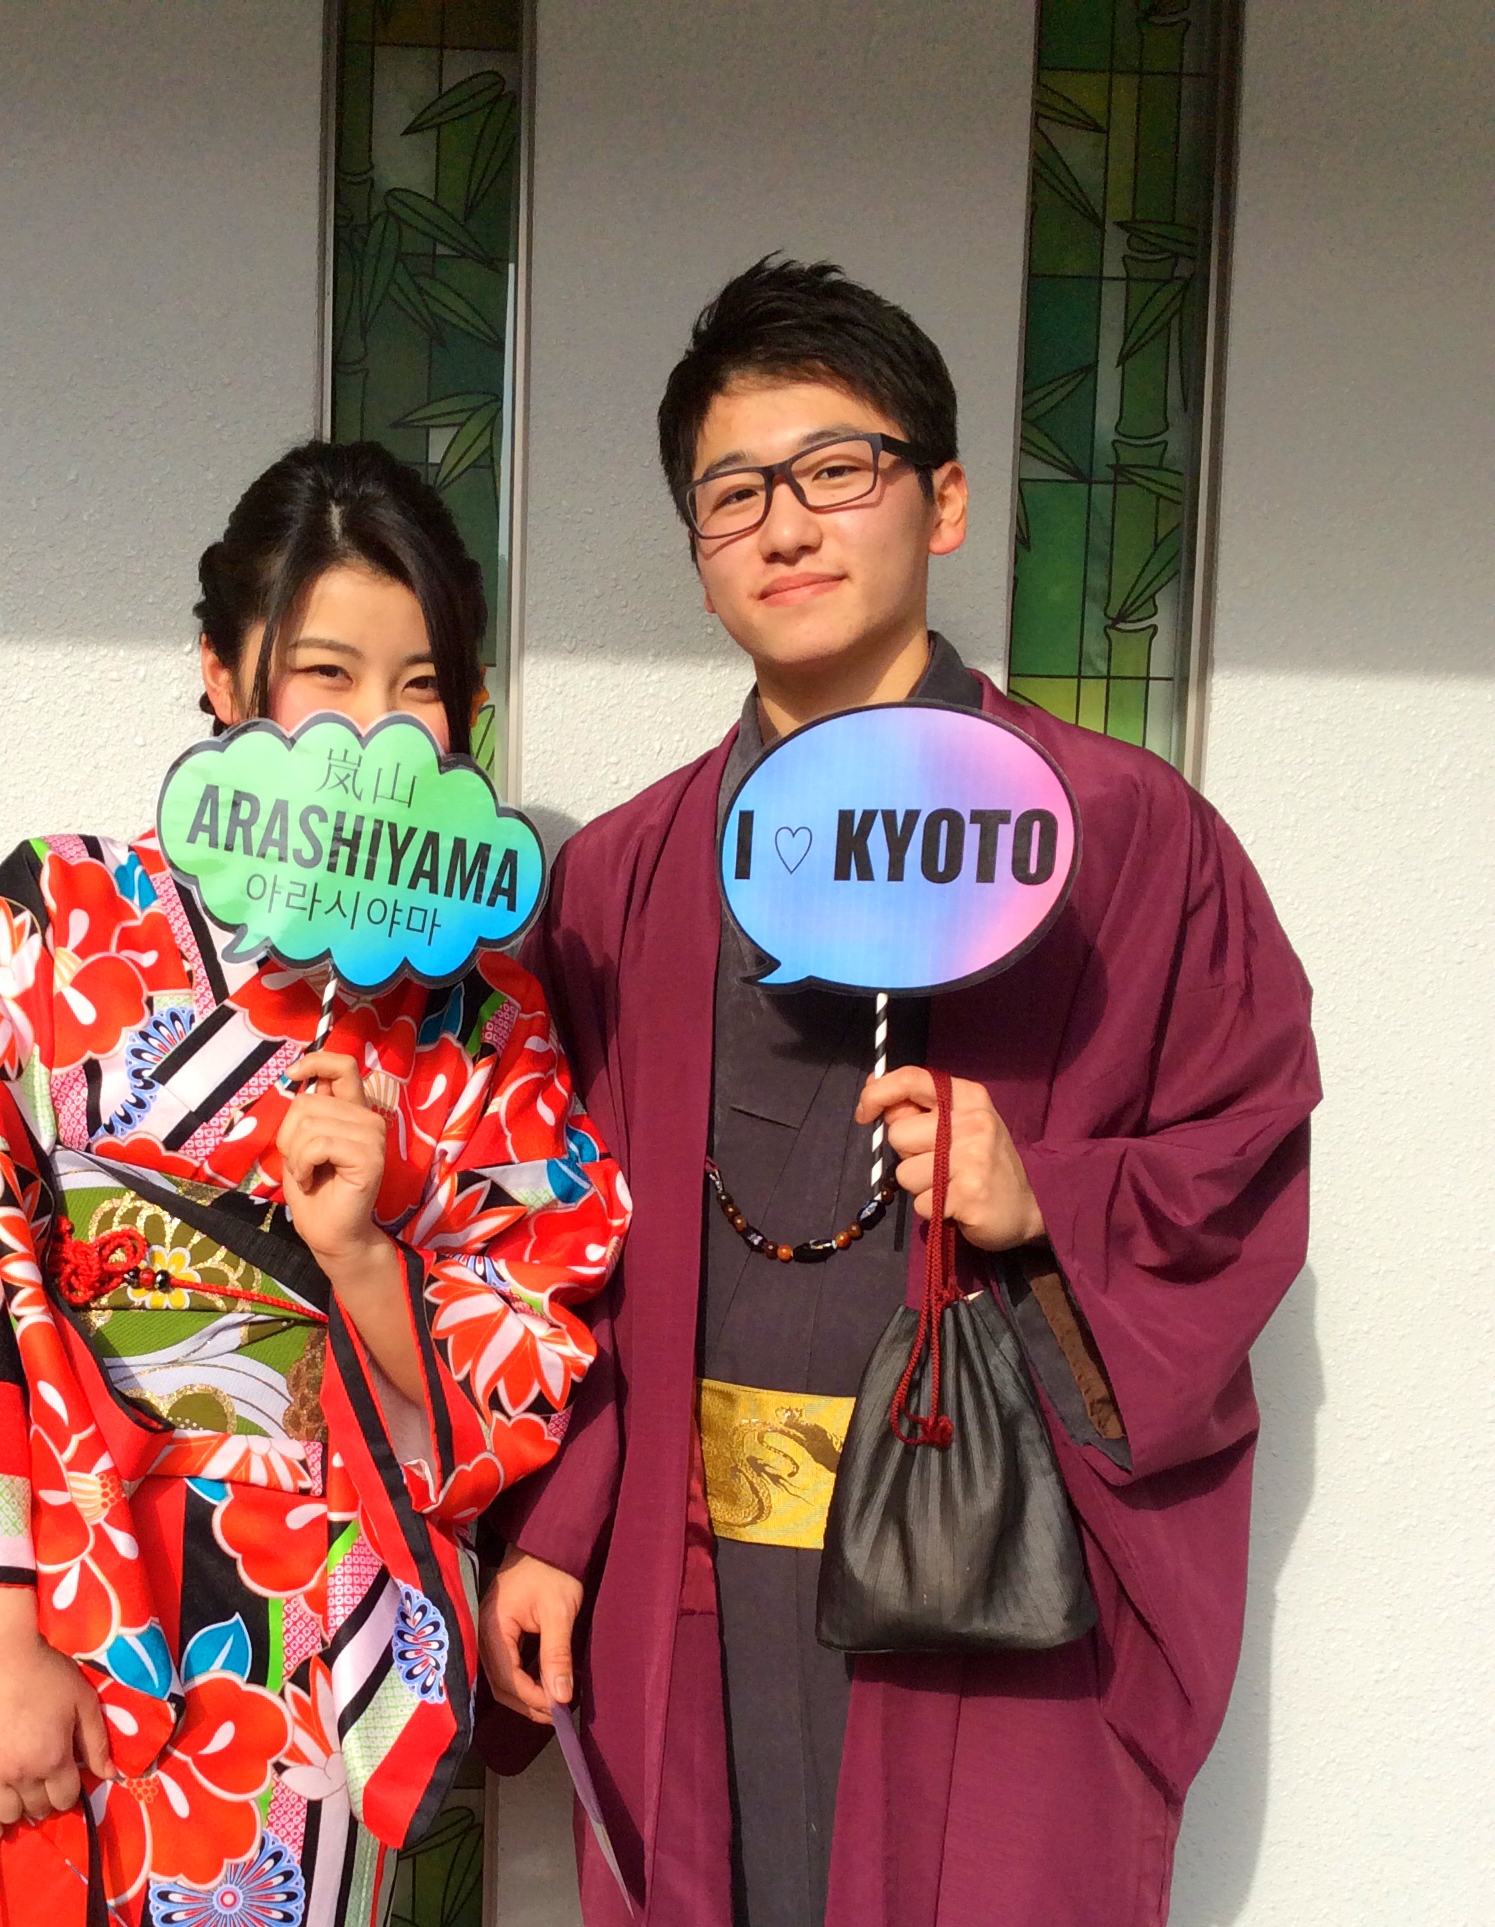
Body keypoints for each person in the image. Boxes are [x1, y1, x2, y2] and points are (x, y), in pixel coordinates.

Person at [476, 259, 1319, 1926]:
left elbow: (1244, 1152)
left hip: (981, 1559)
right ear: (698, 552)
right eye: (733, 492)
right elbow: (553, 1253)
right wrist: (561, 1525)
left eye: (837, 469)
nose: (785, 525)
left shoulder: (1122, 838)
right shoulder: (626, 879)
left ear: (942, 502)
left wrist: (1047, 1197)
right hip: (693, 1572)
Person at [0, 440, 631, 1927]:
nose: (373, 728)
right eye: (325, 673)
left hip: (296, 1627)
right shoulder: (60, 913)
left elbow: (524, 1355)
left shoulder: (486, 1020)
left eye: (421, 686)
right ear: (223, 676)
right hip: (28, 1584)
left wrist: (361, 1259)